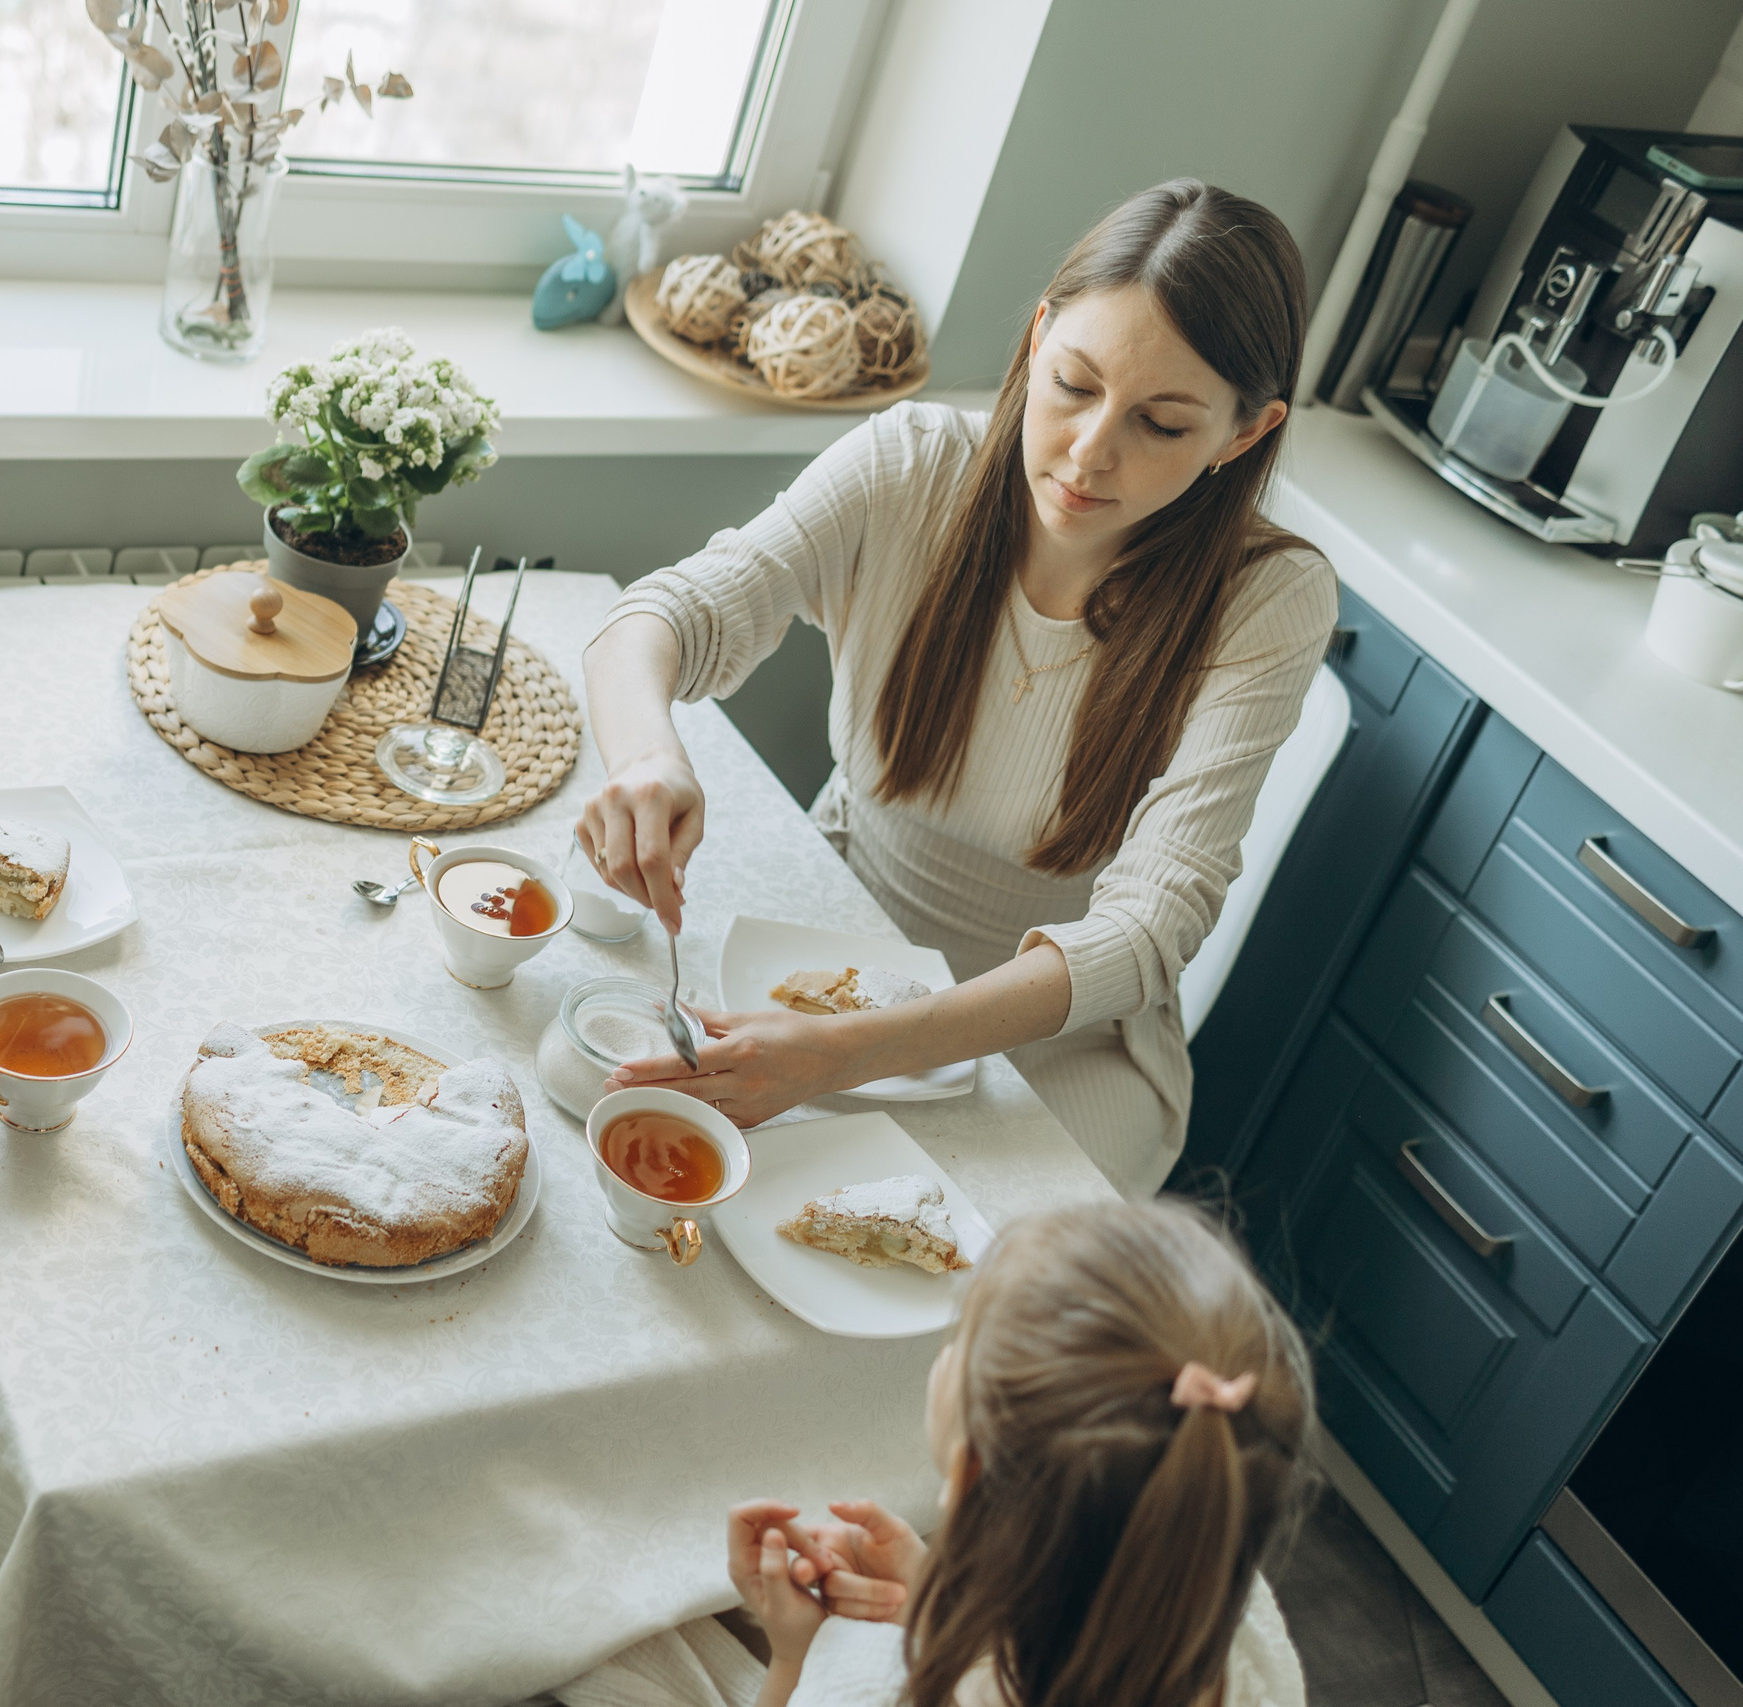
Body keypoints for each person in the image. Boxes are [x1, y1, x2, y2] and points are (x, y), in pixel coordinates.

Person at [578, 181, 1337, 1198]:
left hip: (1055, 1046)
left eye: (1160, 425)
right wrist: (646, 759)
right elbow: (662, 617)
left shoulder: (1268, 599)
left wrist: (851, 1053)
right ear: (1036, 339)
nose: (1087, 452)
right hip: (830, 941)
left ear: (1241, 436)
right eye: (1071, 383)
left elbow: (1149, 929)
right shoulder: (909, 465)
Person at [562, 1200, 1312, 1707]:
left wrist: (796, 1655)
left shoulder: (875, 1685)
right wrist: (938, 1599)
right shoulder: (1241, 1625)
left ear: (965, 1472)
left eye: (959, 1342)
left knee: (612, 1647)